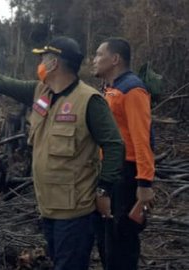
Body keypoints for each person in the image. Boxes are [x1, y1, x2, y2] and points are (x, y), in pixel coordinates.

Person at [0, 36, 125, 270]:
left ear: (54, 63)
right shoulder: (39, 92)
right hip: (47, 207)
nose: (40, 63)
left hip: (76, 212)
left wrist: (104, 190)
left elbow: (115, 145)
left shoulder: (89, 101)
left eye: (43, 58)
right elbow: (0, 82)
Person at [92, 37, 156, 270]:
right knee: (106, 239)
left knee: (122, 241)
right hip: (107, 173)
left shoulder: (132, 89)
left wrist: (145, 183)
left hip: (126, 177)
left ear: (115, 59)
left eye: (99, 54)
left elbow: (143, 138)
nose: (94, 59)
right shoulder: (110, 89)